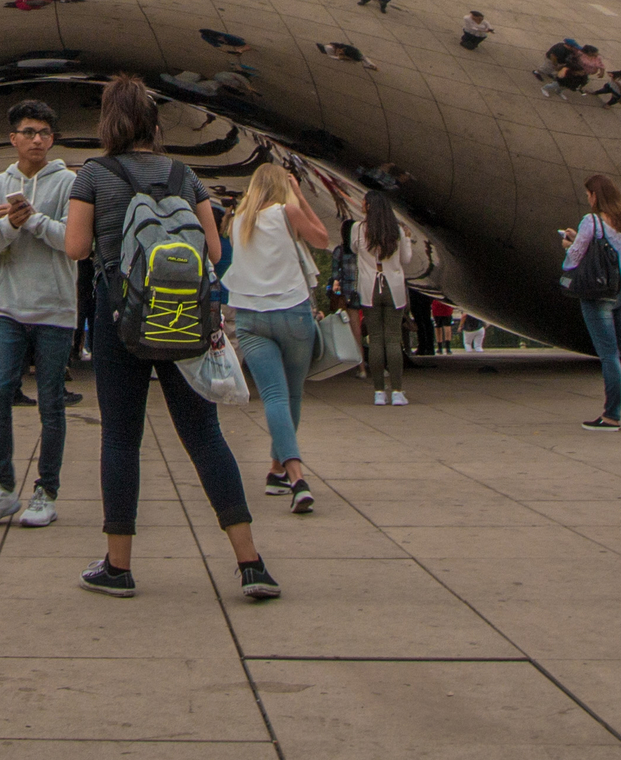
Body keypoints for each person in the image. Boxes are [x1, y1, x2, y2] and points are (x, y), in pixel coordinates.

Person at [52, 74, 276, 604]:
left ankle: (118, 566)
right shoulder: (183, 173)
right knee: (204, 436)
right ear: (153, 124)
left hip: (121, 318)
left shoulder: (93, 174)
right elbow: (216, 252)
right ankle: (251, 564)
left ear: (108, 123)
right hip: (183, 318)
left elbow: (76, 247)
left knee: (121, 438)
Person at [0, 100, 75, 530]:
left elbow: (74, 241)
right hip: (9, 308)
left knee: (51, 402)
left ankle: (46, 491)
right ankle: (2, 488)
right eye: (29, 132)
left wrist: (32, 221)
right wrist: (10, 225)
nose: (37, 140)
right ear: (13, 138)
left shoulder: (70, 182)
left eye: (45, 133)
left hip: (55, 309)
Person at [227, 161, 334, 508]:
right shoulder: (287, 212)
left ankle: (276, 470)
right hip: (292, 312)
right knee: (292, 395)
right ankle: (297, 477)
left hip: (250, 318)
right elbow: (322, 238)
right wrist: (300, 196)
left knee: (274, 396)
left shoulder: (238, 221)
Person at [566, 175, 621, 430]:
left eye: (589, 194)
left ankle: (611, 415)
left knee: (608, 354)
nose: (588, 199)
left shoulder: (591, 221)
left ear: (595, 195)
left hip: (599, 293)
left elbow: (574, 256)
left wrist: (567, 244)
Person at [351, 185, 414, 408]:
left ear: (369, 207)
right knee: (393, 339)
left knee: (375, 340)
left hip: (370, 288)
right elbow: (406, 259)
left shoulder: (358, 229)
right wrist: (406, 239)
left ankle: (379, 391)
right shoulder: (396, 230)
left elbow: (354, 249)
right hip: (393, 287)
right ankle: (397, 391)